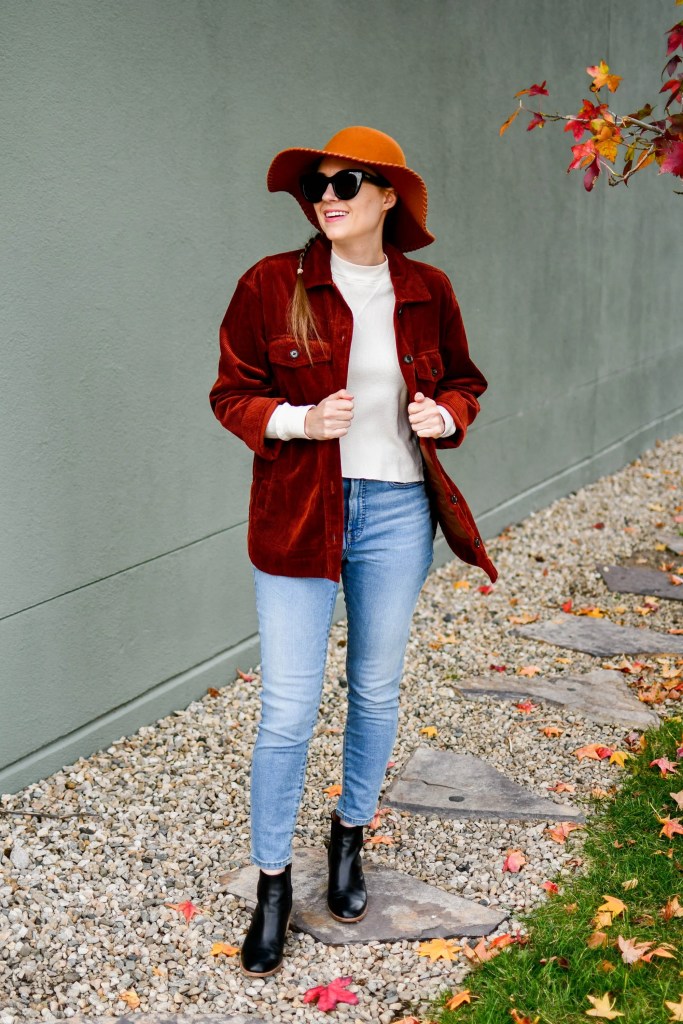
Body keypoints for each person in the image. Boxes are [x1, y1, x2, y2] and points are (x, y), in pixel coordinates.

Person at [209, 125, 497, 977]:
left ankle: (348, 837)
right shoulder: (270, 285)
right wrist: (298, 421)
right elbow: (231, 391)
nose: (327, 195)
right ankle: (271, 885)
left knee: (374, 688)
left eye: (346, 182)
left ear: (387, 199)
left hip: (397, 511)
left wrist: (443, 414)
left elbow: (463, 380)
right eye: (319, 184)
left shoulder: (425, 289)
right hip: (300, 510)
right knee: (288, 711)